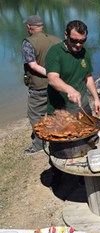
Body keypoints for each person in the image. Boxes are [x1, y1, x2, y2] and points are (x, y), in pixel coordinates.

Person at [22, 15, 61, 155]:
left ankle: (39, 144)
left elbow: (32, 65)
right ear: (42, 26)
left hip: (38, 87)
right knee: (56, 111)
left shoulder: (28, 43)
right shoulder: (56, 39)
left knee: (35, 116)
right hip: (56, 84)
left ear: (29, 27)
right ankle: (59, 136)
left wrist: (49, 73)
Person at [45, 20, 100, 117]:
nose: (78, 44)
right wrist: (70, 90)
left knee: (90, 131)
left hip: (82, 106)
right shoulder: (55, 51)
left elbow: (88, 77)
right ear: (66, 35)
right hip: (60, 109)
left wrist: (96, 99)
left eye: (82, 41)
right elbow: (52, 79)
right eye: (74, 40)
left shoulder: (84, 52)